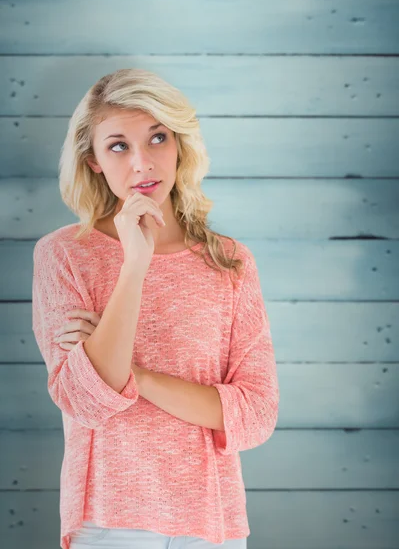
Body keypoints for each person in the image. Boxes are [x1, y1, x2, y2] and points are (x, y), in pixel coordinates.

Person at [31, 68, 280, 549]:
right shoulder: (65, 255)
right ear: (95, 160)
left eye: (158, 138)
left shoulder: (229, 263)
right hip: (109, 520)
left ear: (180, 144)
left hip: (213, 523)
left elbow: (254, 416)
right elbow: (86, 400)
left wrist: (136, 375)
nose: (142, 163)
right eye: (119, 146)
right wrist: (134, 264)